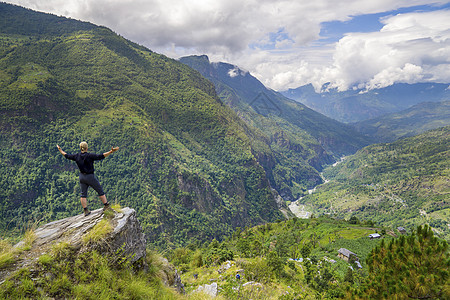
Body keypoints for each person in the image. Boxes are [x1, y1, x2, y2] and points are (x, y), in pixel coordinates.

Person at [57, 142, 119, 216]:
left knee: (83, 194)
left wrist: (60, 150)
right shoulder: (90, 155)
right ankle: (106, 206)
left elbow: (66, 155)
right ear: (87, 148)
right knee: (100, 190)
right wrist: (111, 151)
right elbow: (101, 156)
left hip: (82, 177)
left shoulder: (76, 156)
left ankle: (86, 210)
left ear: (80, 148)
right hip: (90, 176)